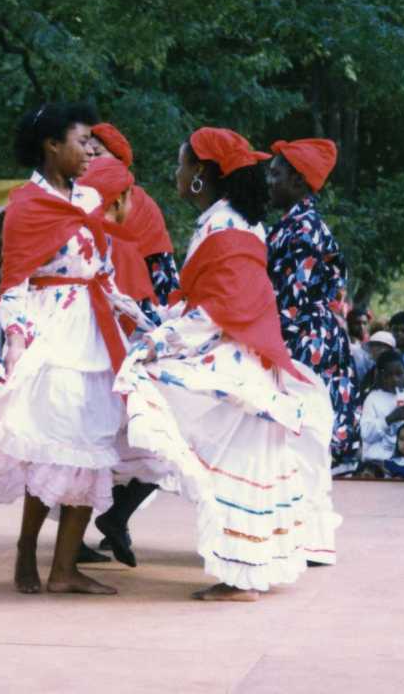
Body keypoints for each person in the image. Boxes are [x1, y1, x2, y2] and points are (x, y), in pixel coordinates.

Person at [114, 127, 335, 601]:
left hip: (237, 361)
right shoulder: (235, 221)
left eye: (181, 164)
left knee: (152, 389)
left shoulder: (225, 227)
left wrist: (159, 339)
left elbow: (219, 306)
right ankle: (244, 570)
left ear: (201, 175)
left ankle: (240, 579)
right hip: (248, 357)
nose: (176, 173)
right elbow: (214, 300)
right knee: (241, 466)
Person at [0, 103, 150, 596]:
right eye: (81, 144)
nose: (89, 154)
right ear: (51, 145)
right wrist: (15, 339)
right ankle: (26, 550)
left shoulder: (90, 199)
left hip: (95, 334)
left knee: (90, 450)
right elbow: (12, 283)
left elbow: (102, 269)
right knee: (51, 451)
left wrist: (139, 322)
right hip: (51, 332)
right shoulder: (27, 203)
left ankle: (64, 568)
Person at [87, 122, 179, 567]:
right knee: (88, 430)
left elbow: (160, 274)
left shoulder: (141, 207)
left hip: (131, 324)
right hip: (83, 326)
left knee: (143, 429)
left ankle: (116, 516)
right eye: (85, 146)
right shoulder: (73, 204)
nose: (88, 153)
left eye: (97, 148)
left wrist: (156, 329)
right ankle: (96, 526)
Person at [266, 138, 358, 478]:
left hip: (304, 340)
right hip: (309, 335)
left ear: (298, 181)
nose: (269, 181)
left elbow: (292, 300)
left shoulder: (303, 228)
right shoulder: (297, 223)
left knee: (295, 440)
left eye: (276, 175)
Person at [359, 350, 404, 474]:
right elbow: (366, 434)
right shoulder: (373, 399)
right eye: (389, 375)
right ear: (379, 376)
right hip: (378, 465)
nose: (395, 379)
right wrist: (390, 419)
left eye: (399, 374)